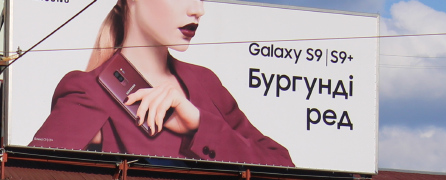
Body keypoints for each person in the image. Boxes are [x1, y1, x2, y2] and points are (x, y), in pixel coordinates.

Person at [29, 0, 292, 167]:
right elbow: (25, 178)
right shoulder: (90, 92)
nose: (198, 9)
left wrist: (198, 124)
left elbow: (284, 170)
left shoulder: (205, 84)